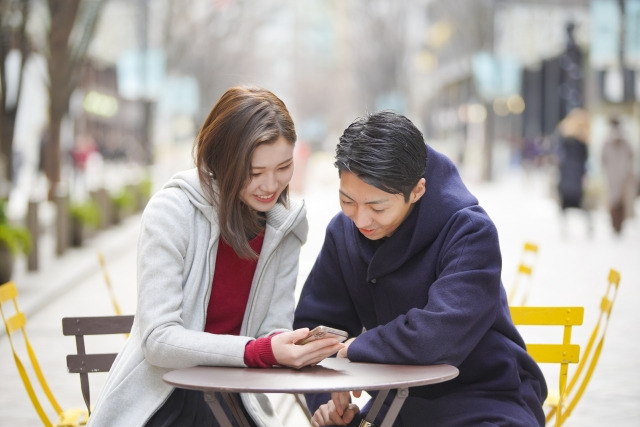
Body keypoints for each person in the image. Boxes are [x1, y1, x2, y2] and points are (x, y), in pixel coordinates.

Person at [87, 86, 344, 427]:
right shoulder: (172, 211)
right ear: (222, 162)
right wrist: (260, 351)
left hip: (236, 398)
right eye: (254, 173)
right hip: (161, 400)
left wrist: (291, 347)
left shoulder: (286, 225)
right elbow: (158, 340)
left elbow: (272, 330)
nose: (271, 185)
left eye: (283, 167)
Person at [293, 111, 547, 426]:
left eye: (377, 207)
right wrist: (328, 399)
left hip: (486, 394)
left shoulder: (469, 231)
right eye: (347, 201)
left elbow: (441, 333)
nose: (360, 220)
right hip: (396, 399)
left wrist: (359, 346)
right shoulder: (343, 231)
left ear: (417, 190)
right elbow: (314, 328)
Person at [554, 108, 591, 234]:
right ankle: (588, 226)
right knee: (580, 203)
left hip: (566, 176)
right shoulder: (582, 141)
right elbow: (585, 159)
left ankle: (564, 228)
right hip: (576, 176)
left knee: (565, 204)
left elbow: (559, 157)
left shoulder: (564, 139)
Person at [601, 117, 636, 235]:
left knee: (613, 200)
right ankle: (620, 225)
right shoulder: (625, 139)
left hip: (611, 174)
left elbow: (602, 157)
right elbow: (632, 154)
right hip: (624, 173)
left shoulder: (607, 140)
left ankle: (614, 225)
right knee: (622, 200)